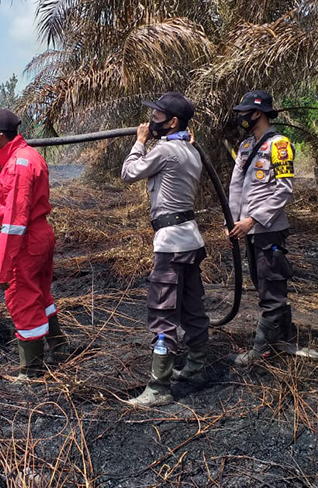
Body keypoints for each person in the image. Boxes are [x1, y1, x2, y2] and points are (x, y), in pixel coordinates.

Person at [121, 92, 209, 407]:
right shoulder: (190, 150)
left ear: (172, 122)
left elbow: (128, 173)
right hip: (190, 240)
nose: (151, 121)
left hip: (170, 245)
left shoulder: (168, 150)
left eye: (157, 116)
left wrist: (139, 141)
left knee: (163, 313)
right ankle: (196, 367)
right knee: (192, 308)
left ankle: (159, 388)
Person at [0, 108, 67, 380]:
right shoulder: (26, 155)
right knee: (40, 293)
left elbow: (13, 223)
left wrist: (2, 269)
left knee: (23, 298)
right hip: (40, 234)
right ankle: (58, 347)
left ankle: (32, 369)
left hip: (26, 241)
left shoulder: (18, 165)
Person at [226, 90, 296, 365]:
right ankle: (285, 336)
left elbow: (284, 190)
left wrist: (253, 219)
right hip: (247, 229)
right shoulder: (245, 147)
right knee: (263, 283)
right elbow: (236, 188)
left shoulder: (279, 146)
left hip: (267, 229)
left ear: (257, 113)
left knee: (271, 286)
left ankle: (262, 349)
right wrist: (231, 222)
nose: (241, 117)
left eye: (245, 112)